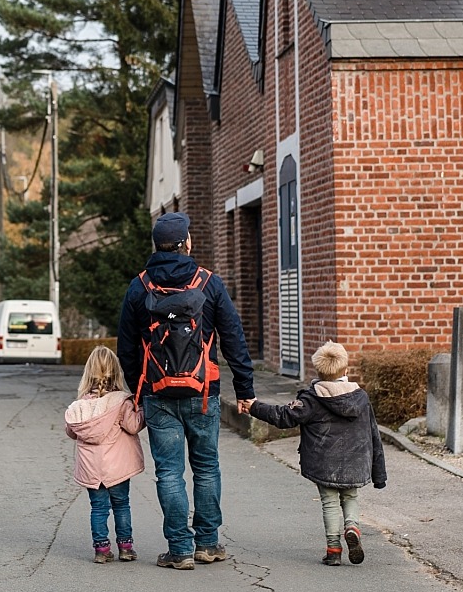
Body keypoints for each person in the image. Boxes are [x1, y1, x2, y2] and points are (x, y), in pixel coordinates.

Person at [116, 211, 256, 570]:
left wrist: (139, 391)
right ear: (186, 243)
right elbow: (234, 339)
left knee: (169, 473)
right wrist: (244, 388)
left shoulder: (140, 286)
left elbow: (127, 348)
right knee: (206, 468)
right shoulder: (209, 284)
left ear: (156, 246)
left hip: (158, 393)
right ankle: (207, 544)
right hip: (203, 392)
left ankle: (179, 549)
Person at [245, 340, 387, 566]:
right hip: (356, 460)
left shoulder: (311, 399)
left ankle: (333, 550)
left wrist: (254, 406)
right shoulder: (361, 397)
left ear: (318, 371)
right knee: (350, 496)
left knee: (329, 501)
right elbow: (373, 433)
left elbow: (283, 416)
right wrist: (379, 473)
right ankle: (352, 527)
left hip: (324, 462)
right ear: (346, 370)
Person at [64, 345, 145, 563]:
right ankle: (126, 547)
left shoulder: (80, 406)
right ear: (116, 372)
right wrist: (142, 410)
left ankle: (101, 549)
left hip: (92, 468)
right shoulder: (121, 402)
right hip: (117, 467)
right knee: (122, 504)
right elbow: (133, 426)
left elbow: (72, 431)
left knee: (98, 508)